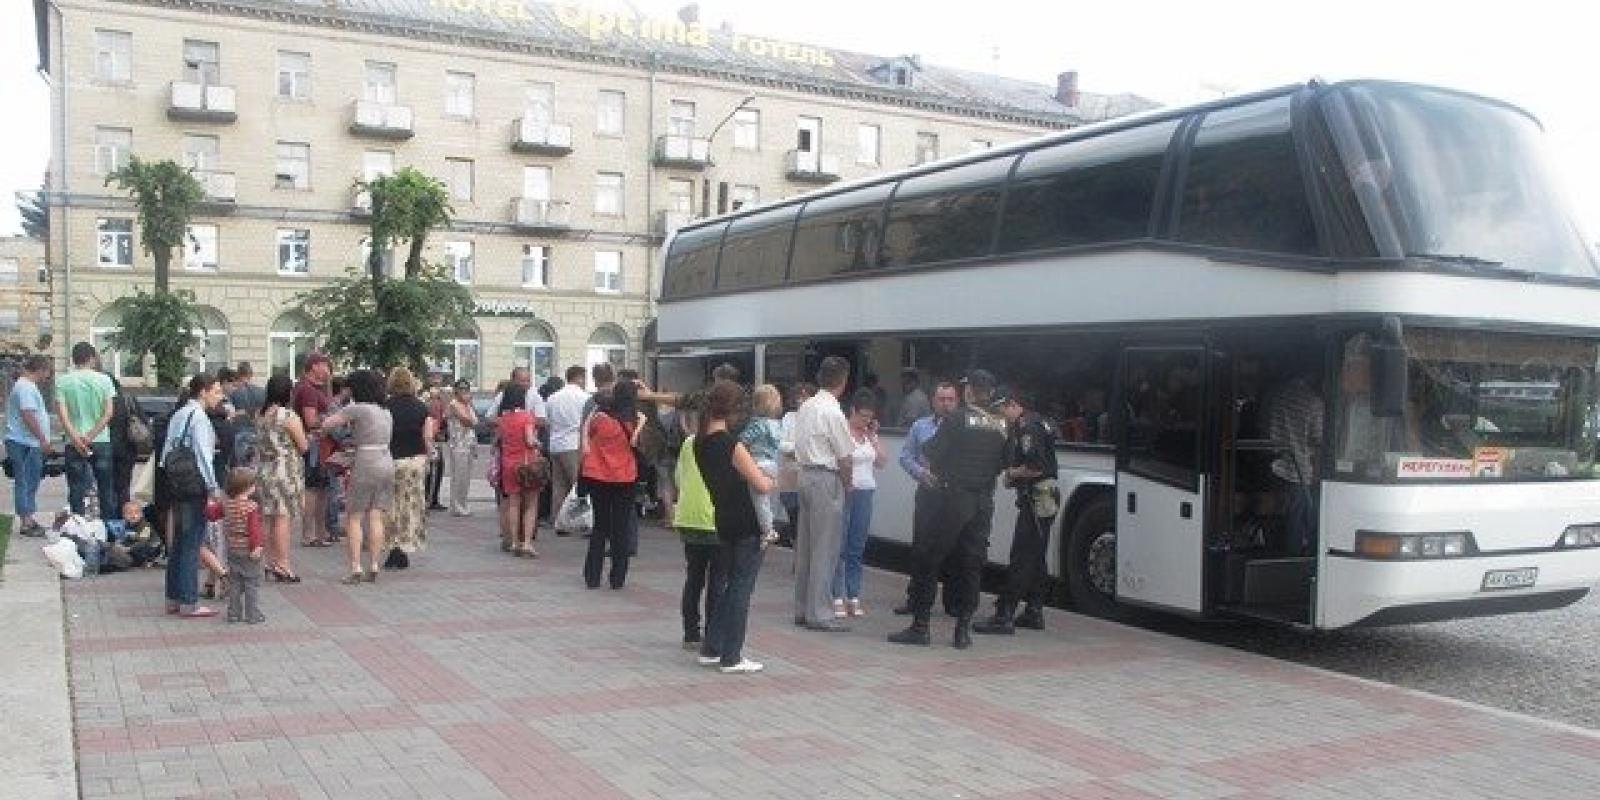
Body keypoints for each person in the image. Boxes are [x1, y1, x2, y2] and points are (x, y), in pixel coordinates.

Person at [889, 369, 1008, 649]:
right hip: (983, 502)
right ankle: (962, 631)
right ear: (991, 393)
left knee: (930, 559)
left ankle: (920, 627)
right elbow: (1005, 461)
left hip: (952, 498)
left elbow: (931, 451)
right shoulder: (1000, 422)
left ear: (969, 391)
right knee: (972, 564)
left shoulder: (957, 418)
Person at [694, 380, 777, 674]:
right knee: (741, 588)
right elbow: (761, 484)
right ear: (734, 409)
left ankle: (712, 647)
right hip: (745, 520)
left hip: (723, 518)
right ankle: (732, 655)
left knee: (731, 587)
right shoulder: (731, 445)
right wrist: (773, 479)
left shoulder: (699, 442)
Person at [974, 388, 1059, 635]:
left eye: (1002, 410)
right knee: (1036, 557)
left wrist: (1012, 473)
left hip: (1036, 499)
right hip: (1046, 499)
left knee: (1021, 555)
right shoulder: (1038, 420)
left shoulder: (1026, 427)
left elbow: (1035, 467)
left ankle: (1005, 614)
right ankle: (1034, 610)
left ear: (1012, 404)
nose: (1002, 416)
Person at [791, 356, 857, 632]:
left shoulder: (806, 406)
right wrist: (848, 484)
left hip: (805, 475)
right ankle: (820, 612)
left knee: (806, 546)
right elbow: (844, 457)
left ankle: (802, 608)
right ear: (843, 381)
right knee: (825, 548)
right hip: (826, 478)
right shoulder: (833, 412)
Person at [892, 381, 963, 617]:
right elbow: (905, 457)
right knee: (922, 548)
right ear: (933, 401)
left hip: (955, 495)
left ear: (957, 401)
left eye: (950, 399)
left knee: (954, 549)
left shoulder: (965, 428)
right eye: (942, 399)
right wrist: (921, 473)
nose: (946, 404)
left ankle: (953, 603)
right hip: (928, 494)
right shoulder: (920, 426)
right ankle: (916, 600)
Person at [320, 369, 395, 585]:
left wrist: (337, 404)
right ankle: (374, 564)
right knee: (376, 515)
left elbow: (327, 424)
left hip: (366, 459)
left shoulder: (358, 409)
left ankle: (355, 567)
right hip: (386, 458)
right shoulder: (385, 411)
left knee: (354, 515)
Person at [161, 373, 225, 618]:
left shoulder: (179, 414)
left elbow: (167, 450)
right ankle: (189, 601)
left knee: (178, 541)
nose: (219, 397)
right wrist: (212, 486)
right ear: (203, 392)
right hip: (194, 483)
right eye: (216, 391)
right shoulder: (199, 418)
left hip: (176, 480)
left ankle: (173, 598)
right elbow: (203, 456)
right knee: (191, 542)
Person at [672, 399, 724, 651]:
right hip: (714, 518)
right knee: (717, 580)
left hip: (688, 518)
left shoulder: (688, 443)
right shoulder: (723, 445)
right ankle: (713, 634)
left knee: (694, 577)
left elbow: (679, 478)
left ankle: (690, 632)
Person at [581, 380, 641, 589]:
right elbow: (638, 444)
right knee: (621, 528)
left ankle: (592, 576)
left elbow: (586, 437)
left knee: (600, 526)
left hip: (598, 476)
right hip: (625, 477)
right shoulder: (634, 421)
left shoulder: (600, 418)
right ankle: (617, 578)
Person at [832, 389, 887, 618]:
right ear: (852, 411)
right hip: (846, 490)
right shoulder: (843, 432)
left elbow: (882, 462)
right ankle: (836, 594)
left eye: (869, 417)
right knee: (840, 545)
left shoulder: (868, 435)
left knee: (856, 545)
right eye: (863, 416)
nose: (866, 420)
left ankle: (853, 594)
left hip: (866, 491)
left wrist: (873, 436)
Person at [56, 342, 117, 523]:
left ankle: (78, 526)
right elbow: (108, 413)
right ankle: (107, 527)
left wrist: (76, 438)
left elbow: (63, 416)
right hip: (101, 439)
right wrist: (91, 435)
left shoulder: (63, 381)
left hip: (74, 441)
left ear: (73, 359)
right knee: (106, 488)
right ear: (92, 358)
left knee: (76, 489)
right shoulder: (104, 380)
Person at [254, 375, 307, 583]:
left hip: (264, 469)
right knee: (283, 518)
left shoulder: (260, 414)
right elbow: (303, 445)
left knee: (267, 518)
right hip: (285, 470)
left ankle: (269, 563)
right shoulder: (288, 416)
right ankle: (283, 565)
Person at [1267, 368, 1323, 555]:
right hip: (1300, 471)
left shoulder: (1277, 395)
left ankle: (1276, 553)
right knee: (1299, 520)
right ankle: (1295, 560)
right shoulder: (1313, 402)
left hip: (1276, 467)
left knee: (1280, 515)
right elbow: (1319, 440)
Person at [384, 367, 436, 569]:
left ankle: (392, 547)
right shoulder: (422, 407)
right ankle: (405, 546)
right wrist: (430, 458)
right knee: (411, 506)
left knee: (392, 505)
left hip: (392, 460)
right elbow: (427, 437)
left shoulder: (385, 407)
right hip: (415, 461)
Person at [5, 354, 53, 537]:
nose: (48, 376)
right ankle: (26, 522)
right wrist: (42, 439)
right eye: (47, 372)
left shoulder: (25, 385)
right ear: (40, 369)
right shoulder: (25, 387)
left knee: (29, 481)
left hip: (25, 441)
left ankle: (29, 518)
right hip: (24, 442)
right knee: (26, 481)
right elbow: (28, 414)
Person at [292, 353, 335, 547]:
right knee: (313, 489)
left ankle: (320, 531)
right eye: (325, 365)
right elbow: (310, 421)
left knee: (322, 488)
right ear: (314, 366)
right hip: (315, 445)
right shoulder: (309, 391)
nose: (328, 370)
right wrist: (330, 419)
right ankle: (310, 533)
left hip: (319, 445)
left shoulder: (313, 388)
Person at [496, 383, 543, 557]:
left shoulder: (503, 419)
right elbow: (530, 440)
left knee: (513, 503)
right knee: (531, 504)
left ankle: (514, 541)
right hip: (526, 465)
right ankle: (527, 543)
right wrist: (538, 443)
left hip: (508, 464)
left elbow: (499, 441)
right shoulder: (527, 417)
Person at [215, 467, 266, 624]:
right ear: (248, 487)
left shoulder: (226, 504)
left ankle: (233, 613)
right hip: (248, 549)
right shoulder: (251, 507)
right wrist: (257, 546)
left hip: (233, 548)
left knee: (235, 581)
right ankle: (252, 614)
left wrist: (209, 504)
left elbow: (212, 514)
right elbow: (254, 530)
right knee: (251, 582)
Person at [546, 365, 589, 530]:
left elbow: (548, 421)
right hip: (573, 444)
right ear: (580, 378)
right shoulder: (584, 397)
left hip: (555, 444)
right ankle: (581, 521)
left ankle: (558, 521)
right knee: (578, 485)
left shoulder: (553, 398)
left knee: (559, 485)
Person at [738, 384, 784, 542]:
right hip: (773, 464)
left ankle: (767, 530)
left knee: (759, 501)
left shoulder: (757, 424)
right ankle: (770, 527)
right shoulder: (778, 424)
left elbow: (742, 441)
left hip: (757, 463)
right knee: (769, 500)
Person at [775, 381, 814, 546]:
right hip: (789, 474)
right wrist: (800, 450)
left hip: (809, 475)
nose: (801, 401)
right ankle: (797, 550)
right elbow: (781, 444)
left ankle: (803, 553)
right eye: (799, 397)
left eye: (805, 397)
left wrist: (795, 449)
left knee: (807, 517)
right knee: (793, 515)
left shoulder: (817, 419)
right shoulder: (788, 417)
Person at [444, 379, 478, 516]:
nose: (464, 391)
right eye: (461, 389)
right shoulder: (454, 404)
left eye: (466, 389)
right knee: (459, 476)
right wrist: (467, 406)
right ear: (456, 390)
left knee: (466, 477)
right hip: (458, 444)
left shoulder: (468, 405)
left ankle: (462, 503)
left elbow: (475, 421)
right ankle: (457, 506)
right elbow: (467, 421)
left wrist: (468, 405)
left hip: (468, 444)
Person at [422, 371, 448, 511]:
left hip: (437, 436)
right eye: (434, 378)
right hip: (428, 436)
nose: (437, 381)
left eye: (439, 378)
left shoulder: (441, 397)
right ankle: (428, 499)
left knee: (438, 468)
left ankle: (434, 498)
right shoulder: (425, 397)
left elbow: (444, 416)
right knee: (431, 469)